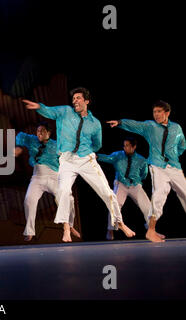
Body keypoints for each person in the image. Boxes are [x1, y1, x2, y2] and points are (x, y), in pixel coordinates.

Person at [22, 87, 136, 242]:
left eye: (78, 98)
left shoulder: (94, 123)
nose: (74, 100)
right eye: (73, 98)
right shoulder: (65, 112)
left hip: (86, 159)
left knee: (107, 192)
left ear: (86, 101)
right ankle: (66, 229)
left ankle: (120, 222)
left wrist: (88, 152)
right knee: (63, 191)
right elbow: (50, 111)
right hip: (67, 160)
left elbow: (97, 144)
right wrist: (39, 107)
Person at [107, 100, 185, 242]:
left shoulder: (177, 128)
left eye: (159, 111)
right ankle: (151, 230)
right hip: (157, 165)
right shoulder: (150, 126)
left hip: (174, 166)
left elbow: (182, 145)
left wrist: (173, 156)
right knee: (159, 195)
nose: (156, 114)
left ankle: (151, 229)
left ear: (167, 113)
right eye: (154, 112)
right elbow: (136, 125)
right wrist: (120, 122)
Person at [14, 121, 80, 241]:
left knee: (67, 199)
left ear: (48, 133)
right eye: (38, 131)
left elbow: (70, 155)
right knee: (29, 200)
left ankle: (69, 227)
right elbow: (19, 136)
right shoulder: (32, 139)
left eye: (42, 131)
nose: (39, 133)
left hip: (54, 176)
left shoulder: (56, 145)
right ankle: (29, 231)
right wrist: (19, 147)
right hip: (37, 177)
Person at [97, 137, 155, 240]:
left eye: (127, 145)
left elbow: (144, 174)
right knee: (114, 205)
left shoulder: (141, 160)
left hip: (135, 185)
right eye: (124, 145)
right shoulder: (118, 155)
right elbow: (107, 158)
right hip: (121, 184)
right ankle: (110, 230)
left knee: (147, 206)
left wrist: (136, 182)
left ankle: (151, 229)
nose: (125, 148)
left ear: (134, 147)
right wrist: (95, 156)